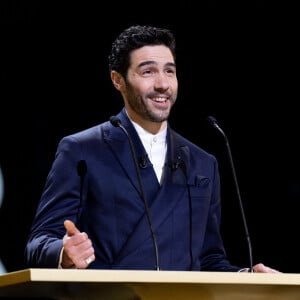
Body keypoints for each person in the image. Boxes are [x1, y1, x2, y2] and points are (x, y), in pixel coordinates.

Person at [25, 25, 279, 273]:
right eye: (148, 72)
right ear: (118, 80)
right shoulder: (82, 150)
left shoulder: (203, 163)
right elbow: (39, 242)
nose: (163, 84)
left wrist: (246, 276)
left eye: (169, 72)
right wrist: (63, 252)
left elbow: (208, 259)